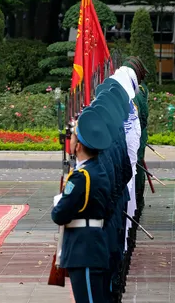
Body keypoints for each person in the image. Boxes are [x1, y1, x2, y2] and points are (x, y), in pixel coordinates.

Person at [51, 107, 113, 303]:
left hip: (83, 249)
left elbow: (59, 215)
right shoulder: (99, 170)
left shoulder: (81, 177)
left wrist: (59, 202)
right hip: (95, 245)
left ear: (78, 146)